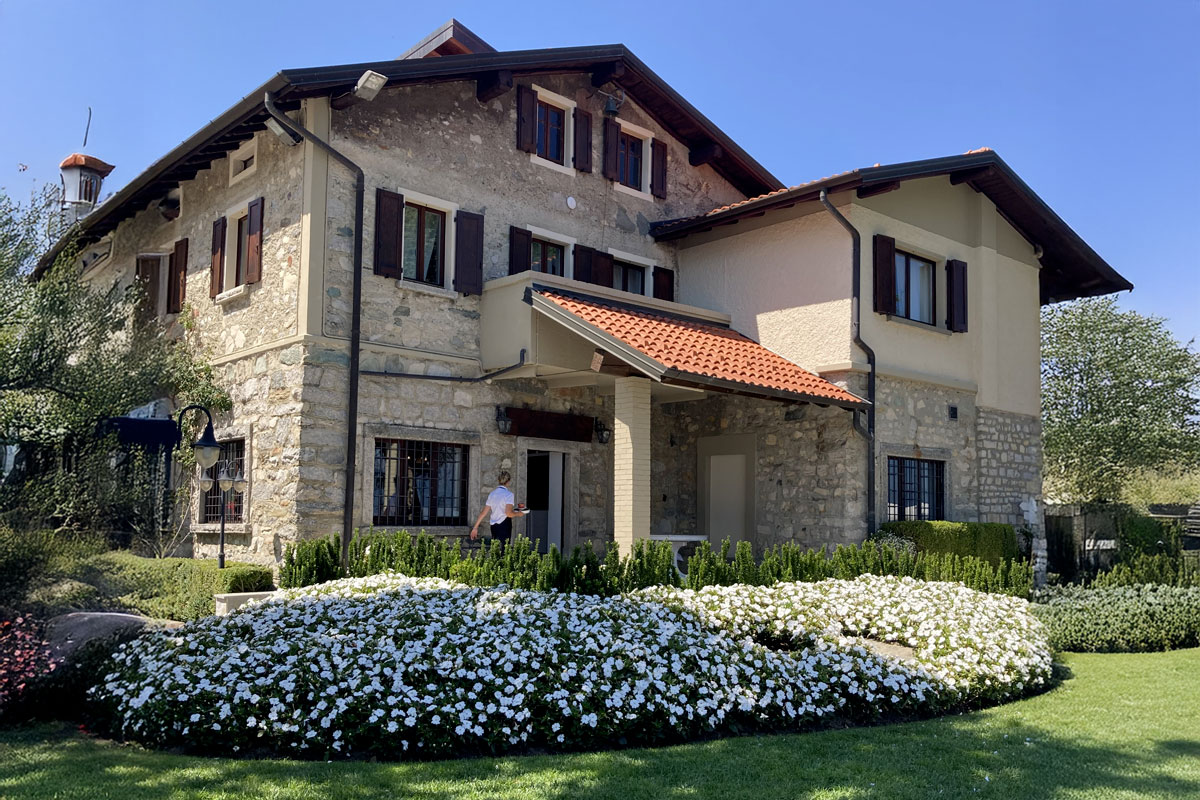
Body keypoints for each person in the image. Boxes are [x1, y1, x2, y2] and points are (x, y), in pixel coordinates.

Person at [470, 470, 525, 543]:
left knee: (495, 549)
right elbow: (508, 513)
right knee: (504, 550)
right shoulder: (509, 495)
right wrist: (519, 514)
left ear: (498, 480)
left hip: (494, 526)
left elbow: (483, 513)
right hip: (504, 524)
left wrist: (475, 528)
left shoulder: (492, 494)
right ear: (508, 481)